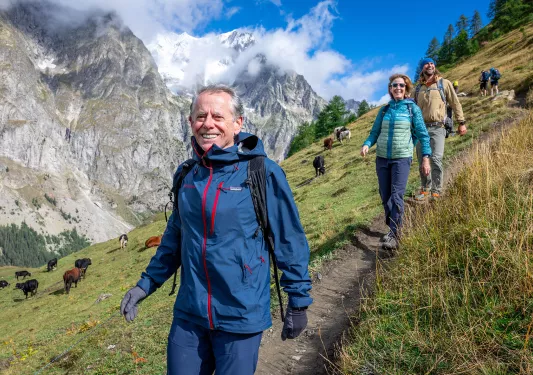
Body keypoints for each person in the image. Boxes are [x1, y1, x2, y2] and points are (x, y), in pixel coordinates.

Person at [120, 84, 313, 375]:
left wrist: (298, 300)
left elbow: (289, 239)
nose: (207, 123)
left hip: (241, 316)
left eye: (217, 116)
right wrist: (144, 285)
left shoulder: (262, 173)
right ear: (190, 123)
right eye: (200, 116)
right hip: (190, 315)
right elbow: (174, 240)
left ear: (238, 124)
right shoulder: (186, 175)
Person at [360, 74, 431, 250]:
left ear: (406, 88)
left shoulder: (411, 109)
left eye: (401, 85)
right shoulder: (384, 110)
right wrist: (367, 144)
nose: (397, 88)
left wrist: (426, 158)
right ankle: (394, 225)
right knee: (385, 197)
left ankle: (395, 233)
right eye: (394, 85)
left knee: (396, 195)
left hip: (402, 158)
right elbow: (374, 132)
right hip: (382, 158)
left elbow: (422, 134)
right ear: (390, 89)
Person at [413, 58, 467, 201]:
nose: (430, 65)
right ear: (422, 68)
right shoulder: (418, 88)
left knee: (435, 159)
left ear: (434, 66)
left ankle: (436, 191)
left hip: (438, 128)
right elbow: (412, 108)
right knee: (422, 161)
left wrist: (461, 122)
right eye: (426, 63)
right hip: (421, 129)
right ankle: (425, 188)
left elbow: (455, 103)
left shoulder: (444, 83)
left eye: (432, 63)